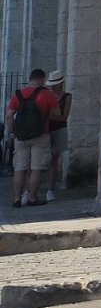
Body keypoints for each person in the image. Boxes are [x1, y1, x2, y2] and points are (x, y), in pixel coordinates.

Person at [7, 68, 60, 208]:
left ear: (30, 79)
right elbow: (56, 114)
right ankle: (31, 197)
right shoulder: (48, 94)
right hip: (41, 134)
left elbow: (9, 116)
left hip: (21, 136)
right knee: (36, 168)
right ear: (42, 79)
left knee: (20, 168)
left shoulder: (18, 94)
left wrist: (12, 133)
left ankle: (17, 199)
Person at [43, 70, 70, 203]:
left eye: (55, 84)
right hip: (46, 130)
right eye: (51, 84)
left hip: (59, 129)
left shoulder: (67, 97)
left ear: (61, 84)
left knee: (54, 160)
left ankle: (50, 190)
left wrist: (50, 115)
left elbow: (64, 117)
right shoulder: (46, 95)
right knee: (40, 161)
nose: (53, 87)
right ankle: (30, 190)